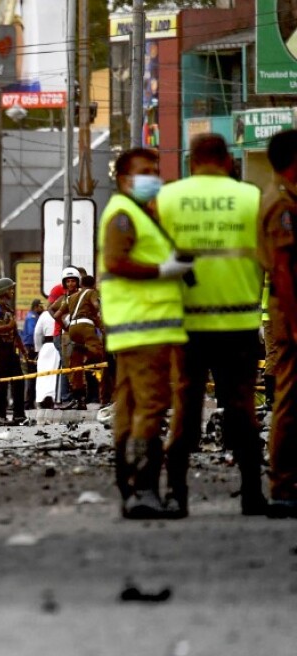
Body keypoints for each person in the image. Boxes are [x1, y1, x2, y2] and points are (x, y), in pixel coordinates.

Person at [157, 134, 267, 517]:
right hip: (240, 322)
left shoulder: (168, 198)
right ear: (228, 161)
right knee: (242, 406)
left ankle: (177, 495)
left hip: (187, 324)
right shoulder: (251, 198)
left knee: (185, 405)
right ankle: (253, 494)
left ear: (191, 161)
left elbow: (156, 260)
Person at [98, 147, 193, 519]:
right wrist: (162, 271)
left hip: (135, 327)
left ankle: (129, 485)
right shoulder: (123, 214)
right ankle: (145, 489)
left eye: (155, 169)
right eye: (144, 171)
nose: (153, 176)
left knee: (131, 406)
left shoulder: (136, 212)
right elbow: (116, 261)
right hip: (145, 328)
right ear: (124, 179)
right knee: (151, 406)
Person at [259, 128, 297, 516]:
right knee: (289, 400)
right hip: (290, 313)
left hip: (288, 311)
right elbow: (283, 270)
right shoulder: (281, 203)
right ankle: (283, 484)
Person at [51, 267, 106, 410]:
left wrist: (68, 327)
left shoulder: (71, 298)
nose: (71, 284)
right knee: (99, 355)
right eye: (67, 282)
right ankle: (81, 397)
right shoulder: (88, 294)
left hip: (73, 333)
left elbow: (56, 314)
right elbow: (96, 310)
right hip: (80, 332)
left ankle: (80, 399)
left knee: (75, 365)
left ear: (79, 283)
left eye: (73, 281)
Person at [0, 278, 27, 425]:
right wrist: (7, 327)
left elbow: (15, 331)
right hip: (1, 346)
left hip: (11, 347)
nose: (12, 291)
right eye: (10, 289)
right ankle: (0, 415)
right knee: (2, 381)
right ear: (3, 291)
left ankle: (19, 415)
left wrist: (23, 349)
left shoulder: (7, 308)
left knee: (18, 380)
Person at [33, 292, 61, 409]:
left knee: (43, 374)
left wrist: (38, 350)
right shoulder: (63, 313)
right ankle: (54, 398)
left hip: (45, 347)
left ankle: (41, 398)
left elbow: (37, 334)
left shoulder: (44, 315)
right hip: (58, 346)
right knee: (56, 373)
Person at [22, 298, 44, 409]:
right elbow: (32, 333)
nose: (43, 308)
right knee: (32, 375)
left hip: (31, 347)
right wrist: (35, 349)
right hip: (31, 348)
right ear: (36, 307)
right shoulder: (32, 317)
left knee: (34, 375)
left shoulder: (34, 316)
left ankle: (30, 402)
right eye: (41, 306)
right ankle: (28, 403)